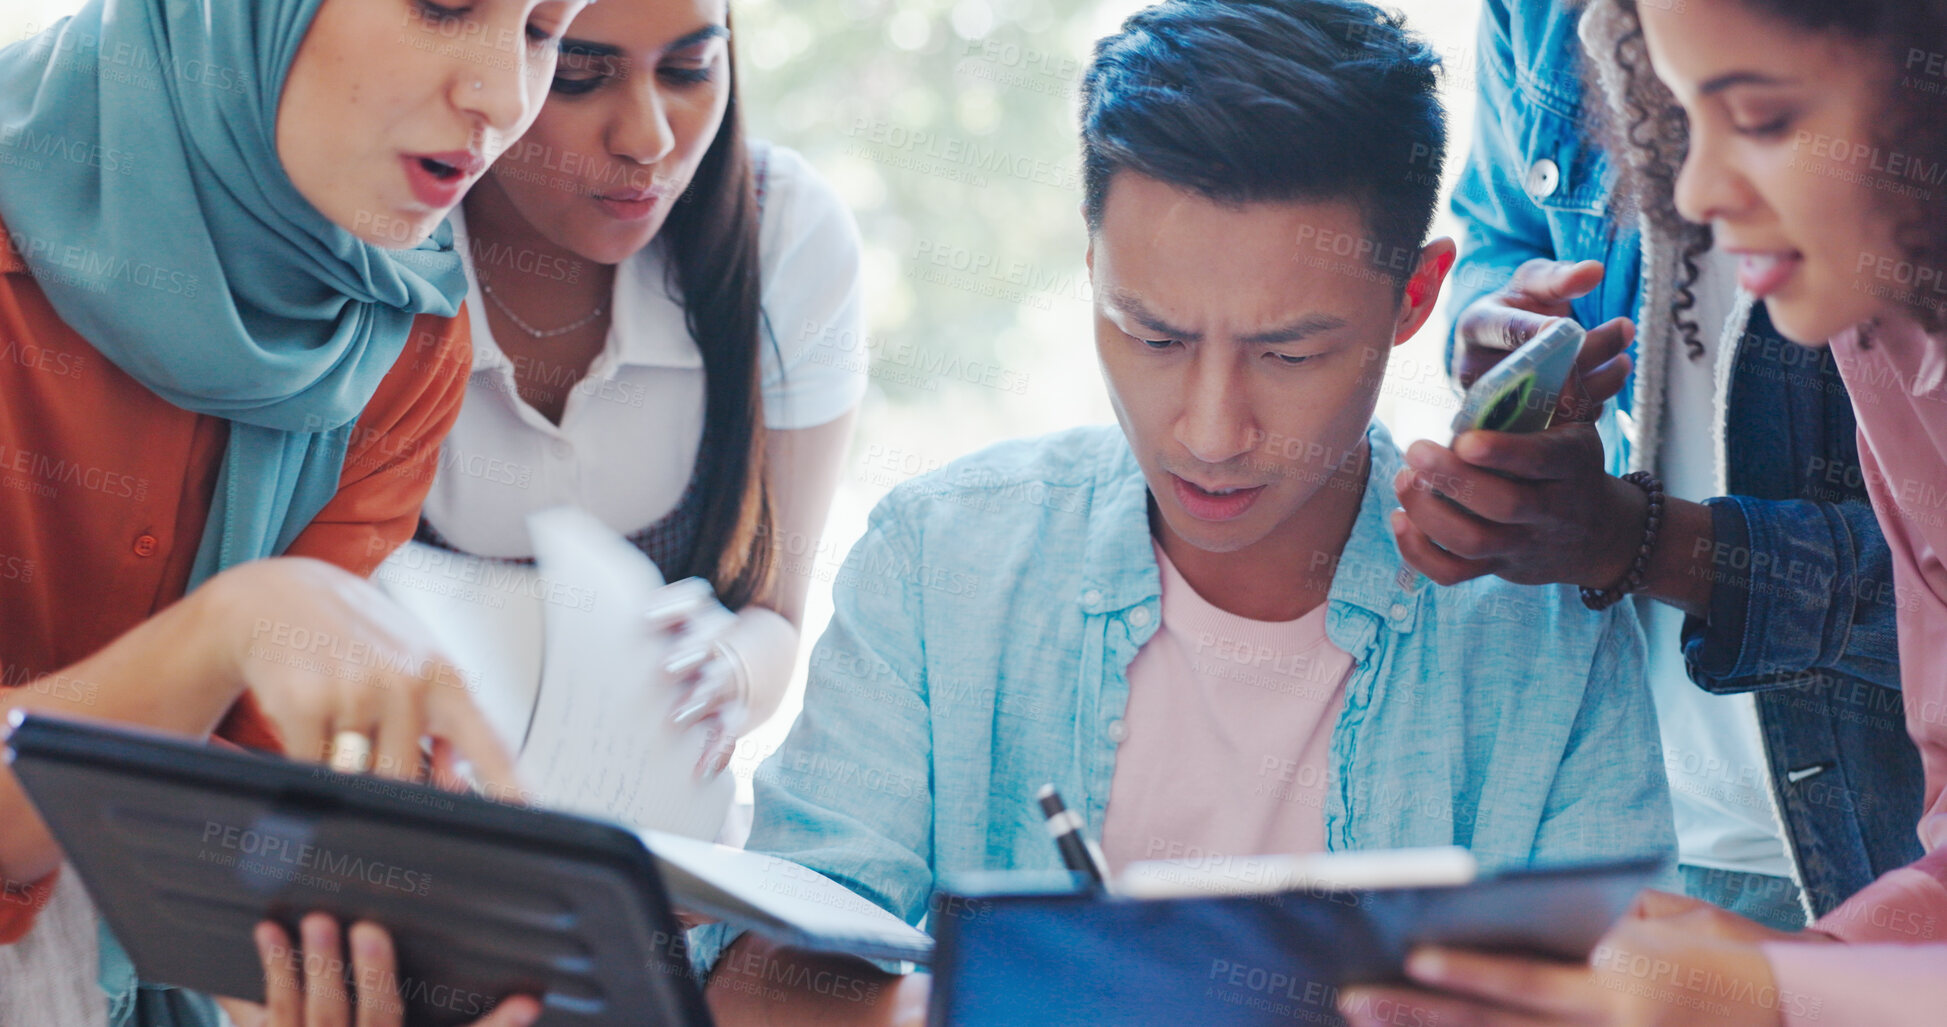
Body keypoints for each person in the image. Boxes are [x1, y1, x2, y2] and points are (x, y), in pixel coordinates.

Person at [688, 1, 1674, 1022]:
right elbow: (759, 978)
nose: (1209, 432)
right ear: (1092, 263)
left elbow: (1639, 981)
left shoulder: (1540, 625)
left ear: (1416, 298)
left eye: (1288, 354)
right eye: (1152, 336)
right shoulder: (939, 562)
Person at [1342, 0, 1947, 1022]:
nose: (1694, 193)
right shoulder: (1884, 347)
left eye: (1755, 116)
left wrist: (1786, 990)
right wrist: (1800, 980)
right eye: (1672, 118)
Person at [0, 0, 584, 1023]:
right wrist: (228, 629)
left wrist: (397, 946)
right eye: (445, 4)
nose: (503, 98)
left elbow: (237, 815)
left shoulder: (402, 340)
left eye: (542, 30)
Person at [404, 0, 864, 778]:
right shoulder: (379, 232)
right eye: (579, 77)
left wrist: (729, 670)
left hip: (639, 839)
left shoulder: (781, 232)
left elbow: (776, 622)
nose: (647, 139)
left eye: (690, 70)